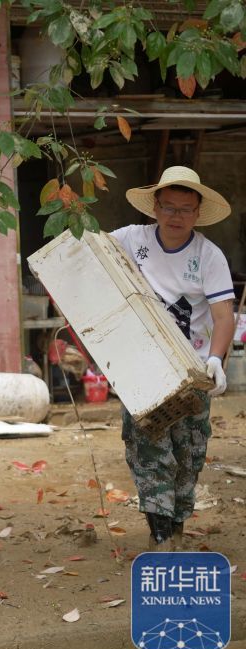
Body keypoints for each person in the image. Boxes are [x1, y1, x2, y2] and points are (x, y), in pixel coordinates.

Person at [112, 166, 233, 548]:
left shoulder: (208, 256)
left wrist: (215, 359)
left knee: (189, 452)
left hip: (191, 370)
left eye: (185, 208)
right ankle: (159, 533)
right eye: (168, 207)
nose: (175, 216)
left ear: (197, 213)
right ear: (154, 208)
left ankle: (176, 523)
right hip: (141, 370)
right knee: (147, 449)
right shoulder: (131, 239)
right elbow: (86, 253)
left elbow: (222, 314)